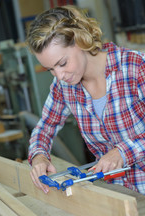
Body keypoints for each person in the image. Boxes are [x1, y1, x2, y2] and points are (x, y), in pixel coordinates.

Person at [26, 5, 145, 196]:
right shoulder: (64, 86)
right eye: (51, 69)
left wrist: (123, 152)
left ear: (80, 40)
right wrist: (39, 156)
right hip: (119, 196)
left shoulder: (136, 67)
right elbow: (45, 127)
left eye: (62, 63)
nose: (59, 75)